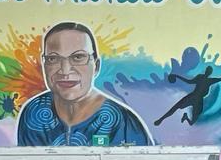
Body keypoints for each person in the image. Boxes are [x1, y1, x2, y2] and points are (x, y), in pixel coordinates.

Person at [16, 22, 151, 147]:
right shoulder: (34, 113)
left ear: (96, 66)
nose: (65, 70)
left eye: (78, 57)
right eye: (53, 58)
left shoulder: (123, 122)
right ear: (44, 65)